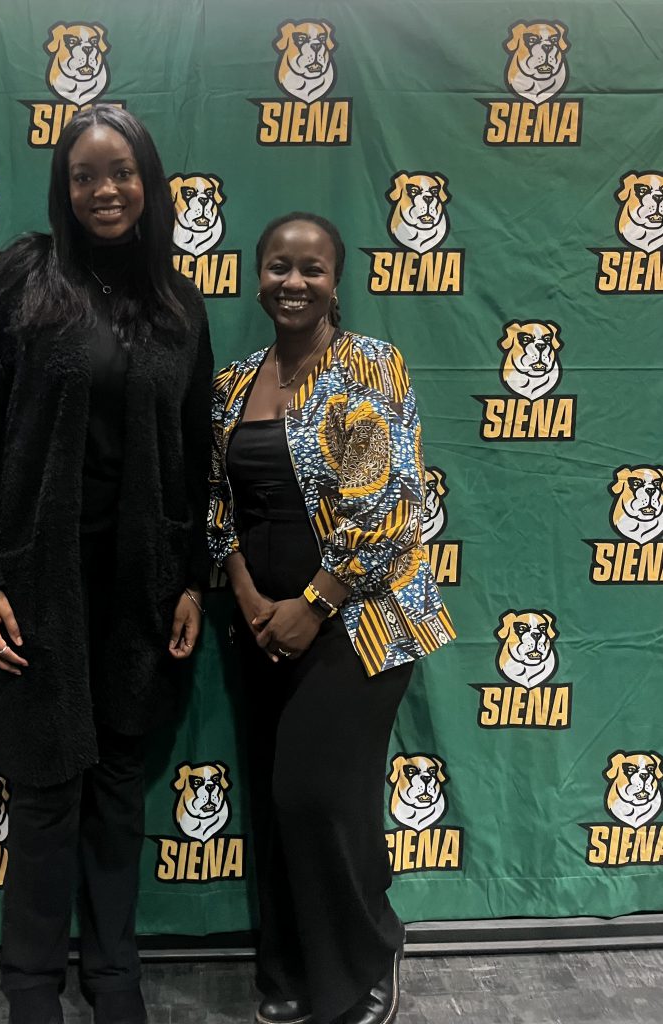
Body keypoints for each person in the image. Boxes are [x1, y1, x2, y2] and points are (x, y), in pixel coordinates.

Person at [0, 105, 213, 1024]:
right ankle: (29, 985)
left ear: (149, 182)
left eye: (121, 172)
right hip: (35, 587)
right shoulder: (21, 282)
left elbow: (197, 454)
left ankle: (113, 976)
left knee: (119, 788)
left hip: (139, 589)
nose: (105, 190)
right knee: (47, 791)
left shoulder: (178, 305)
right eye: (85, 175)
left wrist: (191, 579)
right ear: (63, 187)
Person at [207, 212, 455, 1024]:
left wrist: (313, 605)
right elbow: (214, 501)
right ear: (257, 277)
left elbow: (388, 506)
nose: (294, 282)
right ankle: (287, 967)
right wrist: (247, 595)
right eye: (279, 266)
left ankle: (368, 954)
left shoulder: (370, 365)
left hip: (358, 621)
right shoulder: (232, 383)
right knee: (276, 806)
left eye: (311, 269)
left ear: (335, 281)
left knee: (318, 796)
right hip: (257, 625)